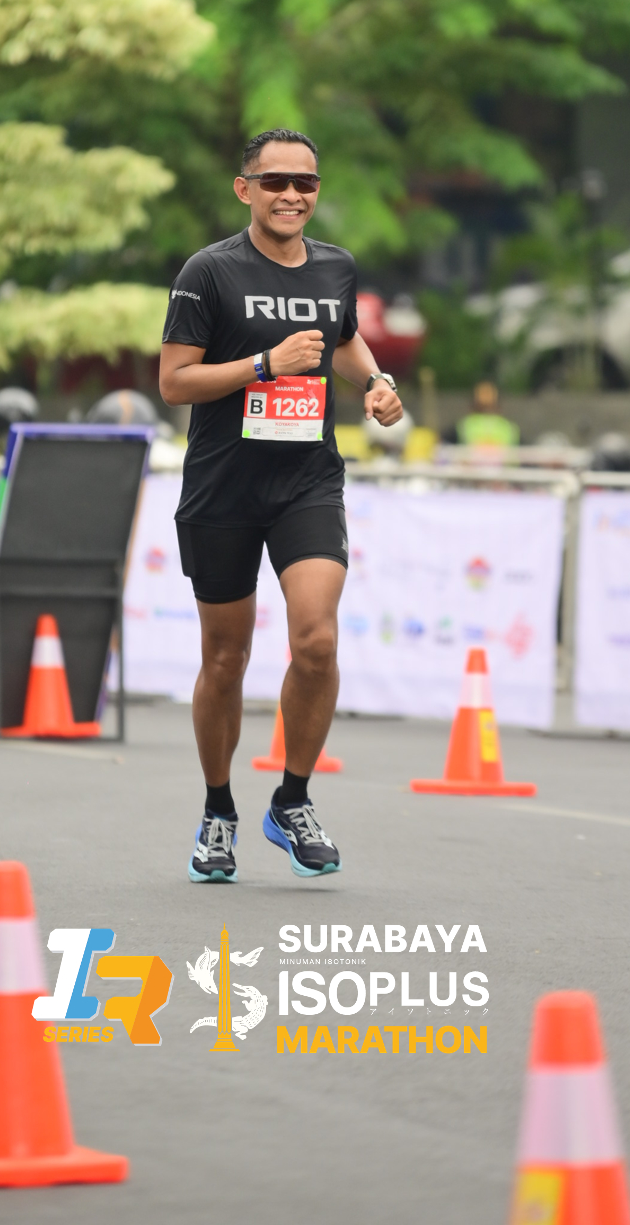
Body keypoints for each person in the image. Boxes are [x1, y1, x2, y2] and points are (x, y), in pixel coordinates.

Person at [159, 129, 404, 883]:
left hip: (305, 482)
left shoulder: (335, 267)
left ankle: (291, 800)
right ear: (246, 190)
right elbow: (174, 382)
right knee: (225, 657)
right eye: (275, 182)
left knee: (317, 641)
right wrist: (265, 364)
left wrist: (375, 383)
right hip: (223, 486)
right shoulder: (208, 272)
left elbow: (343, 339)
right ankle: (217, 812)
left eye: (305, 182)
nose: (291, 195)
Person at [456, 381, 519, 449]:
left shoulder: (510, 427)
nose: (486, 397)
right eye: (482, 393)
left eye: (489, 393)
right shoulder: (462, 426)